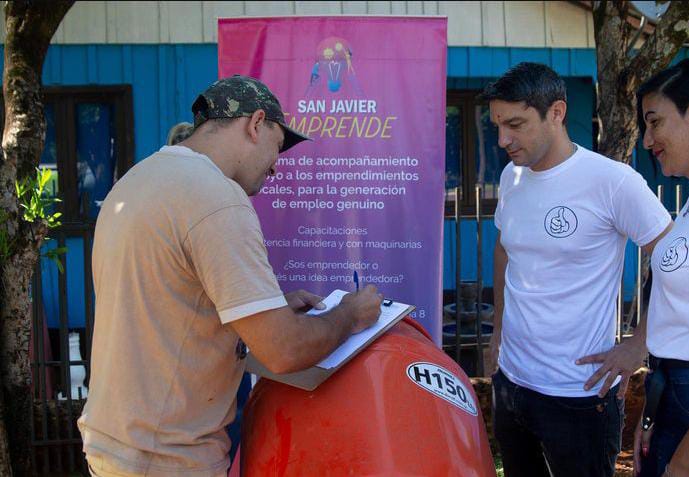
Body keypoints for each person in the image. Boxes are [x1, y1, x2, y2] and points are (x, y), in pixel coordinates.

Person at [78, 75, 383, 477]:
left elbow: (167, 307)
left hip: (113, 448)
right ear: (256, 123)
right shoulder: (217, 199)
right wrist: (350, 313)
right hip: (169, 460)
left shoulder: (135, 182)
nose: (276, 166)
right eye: (278, 146)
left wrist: (266, 307)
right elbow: (284, 350)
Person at [484, 62, 672, 477]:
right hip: (511, 385)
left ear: (556, 112)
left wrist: (639, 344)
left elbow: (675, 258)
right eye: (497, 125)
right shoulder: (511, 177)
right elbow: (504, 249)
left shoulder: (612, 181)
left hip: (580, 395)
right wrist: (498, 330)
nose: (503, 140)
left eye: (515, 124)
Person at [633, 58, 689, 477]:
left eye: (656, 122)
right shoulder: (686, 205)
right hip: (668, 388)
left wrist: (683, 461)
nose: (648, 139)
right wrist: (651, 413)